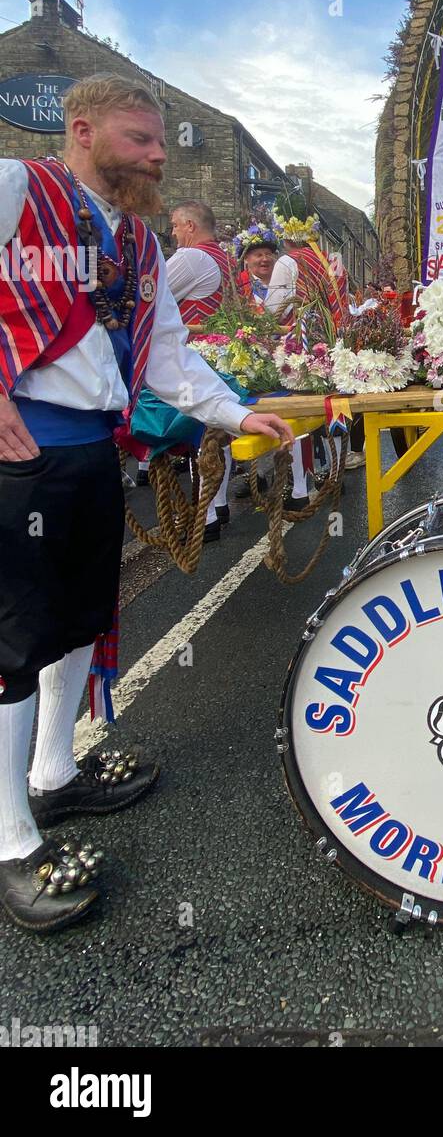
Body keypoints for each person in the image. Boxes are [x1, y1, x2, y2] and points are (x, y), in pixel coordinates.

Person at [0, 74, 294, 933]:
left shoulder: (135, 242)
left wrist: (237, 413)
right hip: (18, 450)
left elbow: (167, 355)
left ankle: (54, 777)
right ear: (82, 130)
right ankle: (11, 841)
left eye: (163, 142)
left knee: (75, 622)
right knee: (14, 642)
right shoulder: (16, 186)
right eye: (142, 140)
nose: (161, 157)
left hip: (90, 445)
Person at [265, 214, 362, 486]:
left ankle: (298, 488)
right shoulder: (331, 261)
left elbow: (274, 310)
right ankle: (333, 473)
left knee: (297, 411)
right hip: (330, 343)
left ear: (285, 238)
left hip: (300, 343)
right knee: (327, 408)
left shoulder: (287, 261)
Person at [161, 200, 238, 537]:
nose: (174, 233)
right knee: (215, 434)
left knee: (193, 436)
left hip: (196, 354)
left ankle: (204, 517)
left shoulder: (191, 257)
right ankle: (216, 506)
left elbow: (152, 294)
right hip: (222, 353)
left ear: (190, 226)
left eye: (176, 226)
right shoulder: (225, 258)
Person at [234, 223, 280, 307]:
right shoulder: (238, 285)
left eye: (268, 254)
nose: (265, 259)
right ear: (246, 258)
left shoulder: (284, 279)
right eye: (259, 255)